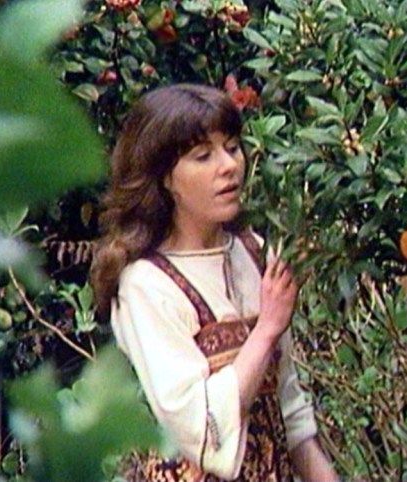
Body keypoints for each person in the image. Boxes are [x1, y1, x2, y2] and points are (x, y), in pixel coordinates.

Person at [90, 83, 340, 482]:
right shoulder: (146, 285)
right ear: (166, 178)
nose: (228, 166)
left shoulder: (255, 253)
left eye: (233, 148)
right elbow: (198, 427)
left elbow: (291, 414)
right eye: (203, 156)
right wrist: (267, 329)